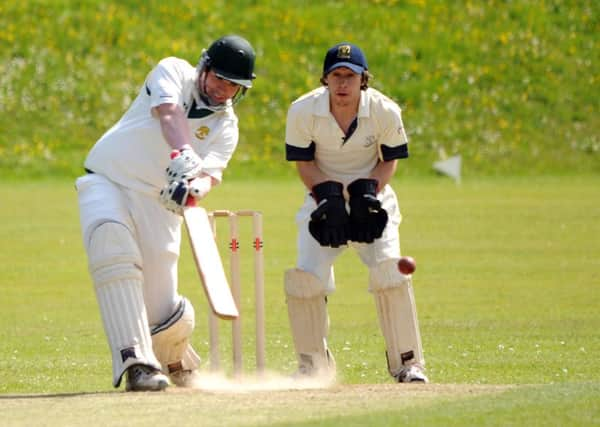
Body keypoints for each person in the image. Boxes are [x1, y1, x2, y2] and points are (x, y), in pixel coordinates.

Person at [75, 35, 256, 391]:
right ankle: (138, 365)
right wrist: (184, 153)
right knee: (112, 248)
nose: (223, 90)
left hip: (160, 203)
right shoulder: (173, 70)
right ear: (205, 68)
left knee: (162, 309)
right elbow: (168, 113)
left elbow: (209, 177)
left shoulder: (227, 126)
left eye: (233, 86)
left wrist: (192, 190)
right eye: (219, 78)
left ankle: (176, 353)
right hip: (109, 178)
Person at [284, 42, 428, 383]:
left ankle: (408, 363)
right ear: (325, 79)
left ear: (364, 79)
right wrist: (327, 195)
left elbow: (388, 159)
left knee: (390, 274)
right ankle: (312, 366)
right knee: (305, 279)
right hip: (322, 198)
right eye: (336, 75)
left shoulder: (385, 110)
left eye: (351, 76)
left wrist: (368, 192)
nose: (343, 83)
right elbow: (304, 162)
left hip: (372, 200)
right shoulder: (303, 110)